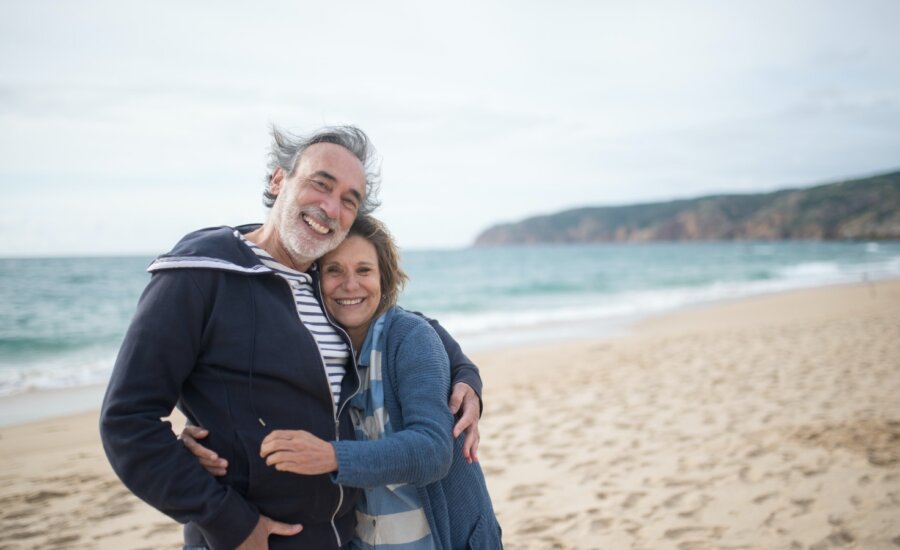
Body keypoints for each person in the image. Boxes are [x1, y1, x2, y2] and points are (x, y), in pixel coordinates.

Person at [99, 125, 484, 550]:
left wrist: (465, 376)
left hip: (343, 537)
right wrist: (228, 521)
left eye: (348, 201)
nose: (330, 208)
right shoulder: (199, 275)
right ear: (278, 179)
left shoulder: (322, 281)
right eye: (321, 185)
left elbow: (406, 325)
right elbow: (127, 422)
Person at [186, 214, 502, 549]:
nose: (350, 284)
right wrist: (205, 436)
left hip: (447, 540)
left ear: (384, 277)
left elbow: (433, 452)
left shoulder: (409, 338)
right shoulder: (312, 349)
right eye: (334, 270)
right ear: (313, 280)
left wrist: (333, 457)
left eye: (364, 270)